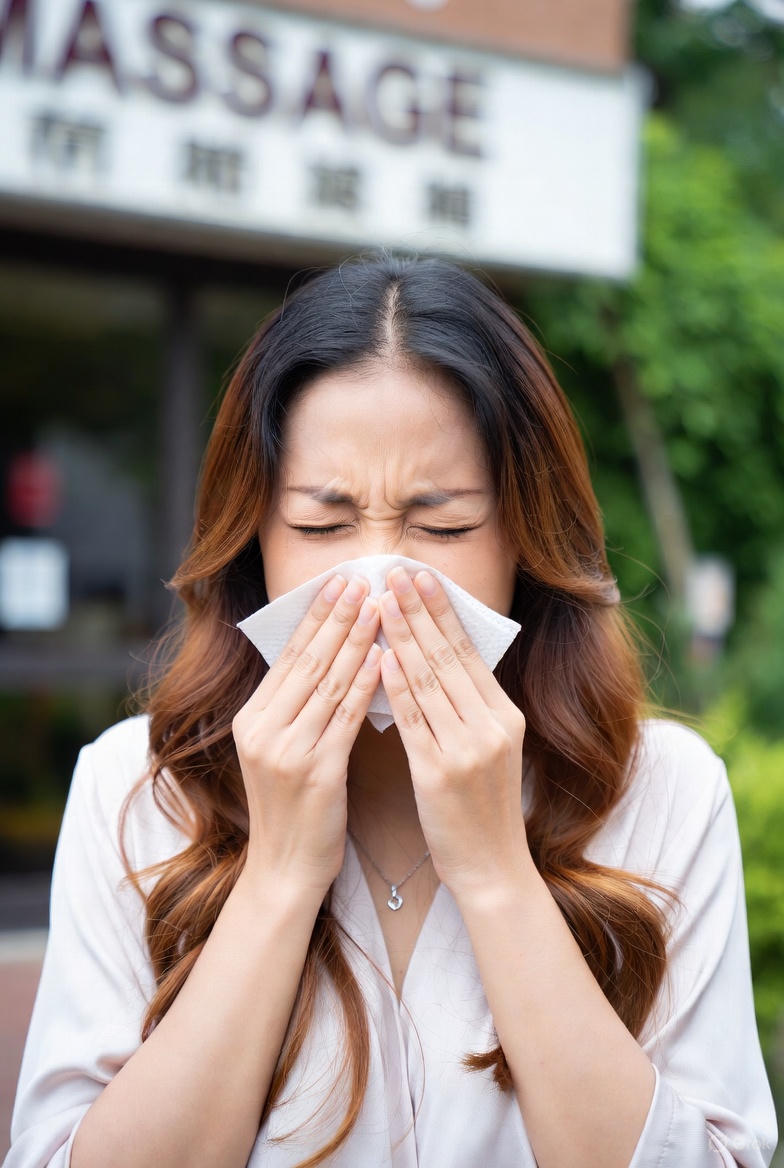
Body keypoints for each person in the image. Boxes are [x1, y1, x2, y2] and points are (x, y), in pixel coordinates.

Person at [5, 251, 778, 1168]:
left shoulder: (661, 792)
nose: (377, 584)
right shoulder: (138, 791)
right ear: (253, 537)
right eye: (322, 527)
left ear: (525, 540)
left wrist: (495, 871)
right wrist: (281, 875)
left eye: (443, 526)